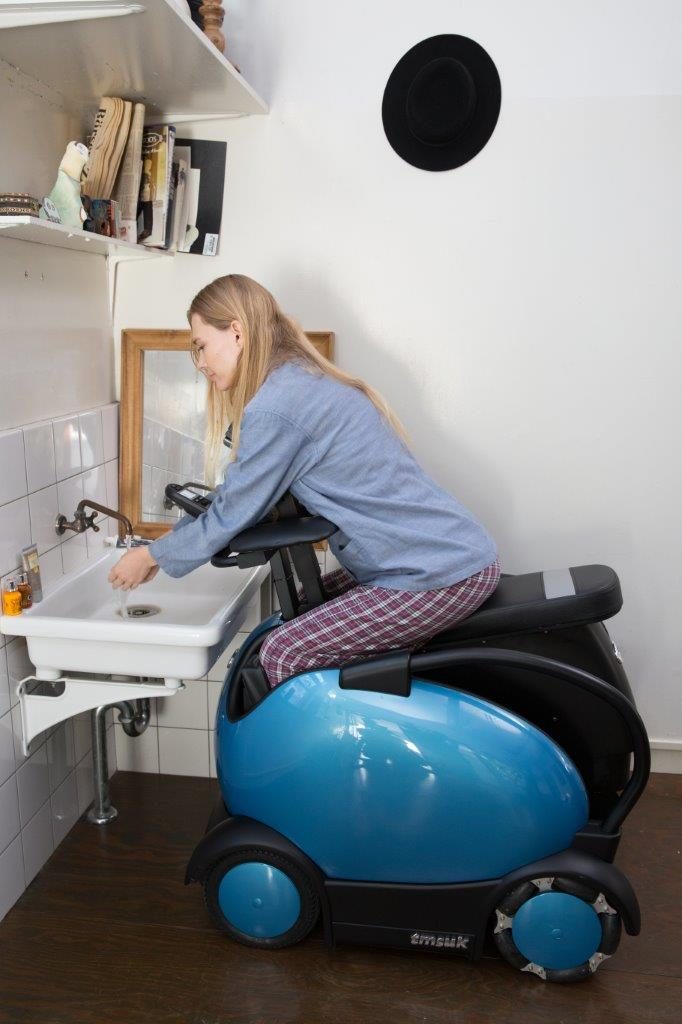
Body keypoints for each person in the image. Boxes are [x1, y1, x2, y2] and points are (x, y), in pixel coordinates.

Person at [108, 274, 500, 687]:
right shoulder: (297, 380)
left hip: (435, 571)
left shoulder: (278, 405)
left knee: (284, 651)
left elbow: (232, 512)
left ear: (237, 333)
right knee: (294, 621)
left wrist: (152, 556)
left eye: (201, 345)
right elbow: (237, 497)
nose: (201, 362)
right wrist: (165, 548)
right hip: (434, 555)